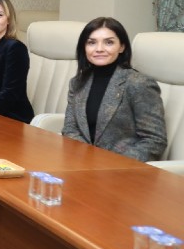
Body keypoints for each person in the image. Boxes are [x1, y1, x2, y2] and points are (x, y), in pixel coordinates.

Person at [62, 17, 166, 161]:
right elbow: (70, 130)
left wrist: (111, 164)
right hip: (83, 164)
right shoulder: (78, 82)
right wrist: (88, 158)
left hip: (123, 167)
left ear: (121, 47)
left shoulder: (138, 83)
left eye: (109, 42)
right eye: (91, 42)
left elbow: (154, 141)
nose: (99, 49)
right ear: (84, 47)